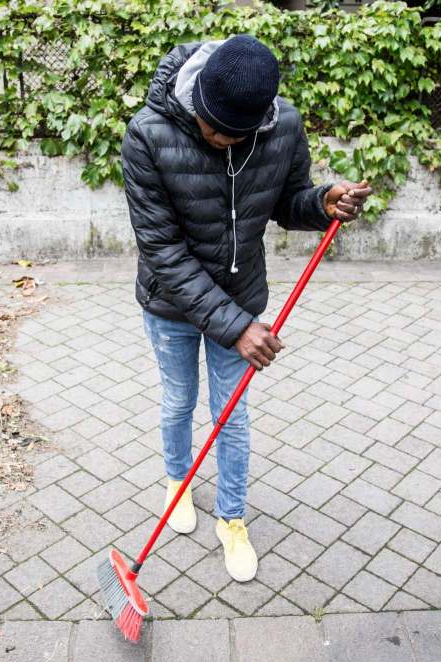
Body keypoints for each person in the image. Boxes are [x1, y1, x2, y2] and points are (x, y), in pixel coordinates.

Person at [121, 35, 370, 582]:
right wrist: (237, 328)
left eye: (236, 135)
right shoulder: (147, 134)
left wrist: (322, 202)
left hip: (240, 295)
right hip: (169, 302)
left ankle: (231, 518)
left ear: (259, 121)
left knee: (231, 416)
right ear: (198, 99)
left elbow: (287, 200)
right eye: (213, 129)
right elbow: (161, 249)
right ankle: (177, 484)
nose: (221, 141)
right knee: (179, 400)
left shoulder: (283, 125)